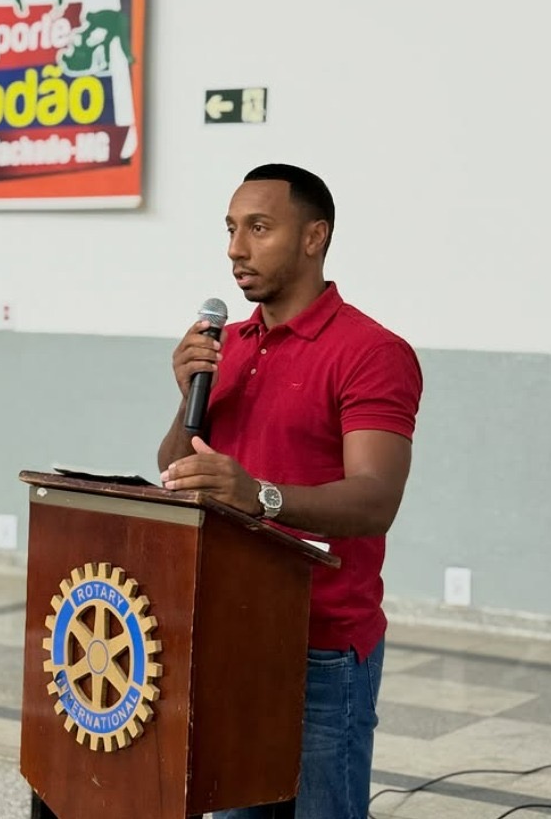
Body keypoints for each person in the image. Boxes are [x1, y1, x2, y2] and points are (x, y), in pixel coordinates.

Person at [157, 164, 423, 819]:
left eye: (258, 228)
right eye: (230, 229)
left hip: (322, 645)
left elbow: (375, 499)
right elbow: (177, 470)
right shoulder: (225, 345)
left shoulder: (371, 351)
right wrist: (186, 396)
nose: (235, 249)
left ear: (313, 237)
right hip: (230, 629)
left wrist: (260, 496)